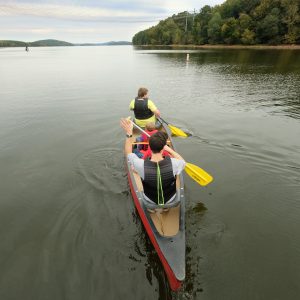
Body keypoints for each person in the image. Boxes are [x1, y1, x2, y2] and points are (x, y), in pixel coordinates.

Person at [120, 118, 186, 205]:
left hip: (149, 200)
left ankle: (152, 210)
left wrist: (129, 133)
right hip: (170, 198)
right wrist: (170, 150)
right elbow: (183, 161)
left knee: (135, 168)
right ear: (163, 148)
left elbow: (128, 152)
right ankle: (166, 208)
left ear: (150, 146)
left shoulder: (140, 165)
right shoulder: (175, 163)